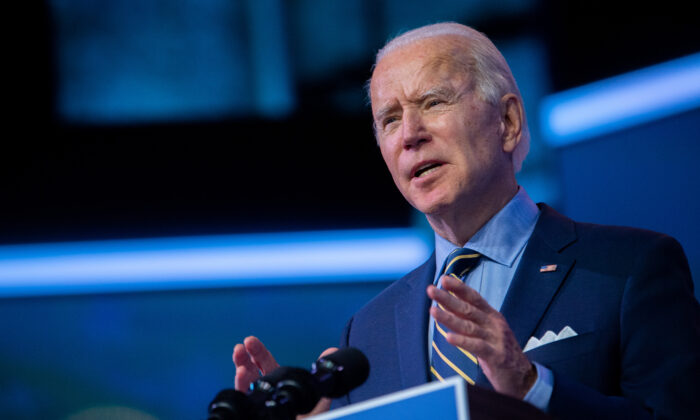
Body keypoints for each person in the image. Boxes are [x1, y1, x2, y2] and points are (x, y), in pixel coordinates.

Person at [233, 22, 700, 419]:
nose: (410, 135)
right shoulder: (367, 332)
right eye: (390, 119)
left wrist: (531, 386)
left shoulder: (629, 270)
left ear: (509, 121)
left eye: (433, 102)